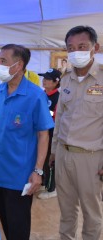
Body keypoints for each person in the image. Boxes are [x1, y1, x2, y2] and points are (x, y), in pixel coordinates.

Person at [0, 44, 54, 240]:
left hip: (20, 175)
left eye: (4, 61)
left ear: (18, 66)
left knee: (18, 227)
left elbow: (44, 134)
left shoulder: (35, 96)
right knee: (6, 223)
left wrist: (38, 171)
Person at [50, 25, 103, 240]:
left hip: (91, 158)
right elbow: (60, 117)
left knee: (92, 213)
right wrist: (54, 151)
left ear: (95, 47)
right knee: (66, 211)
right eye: (71, 48)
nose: (75, 52)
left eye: (82, 46)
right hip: (63, 154)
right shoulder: (66, 78)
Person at [37, 68, 61, 200]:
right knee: (42, 159)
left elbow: (56, 118)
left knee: (51, 160)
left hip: (52, 134)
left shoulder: (58, 97)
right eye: (44, 78)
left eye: (47, 79)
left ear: (56, 82)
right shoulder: (42, 94)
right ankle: (44, 182)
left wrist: (45, 115)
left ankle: (52, 188)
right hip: (40, 133)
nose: (44, 81)